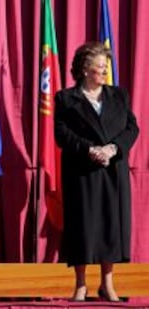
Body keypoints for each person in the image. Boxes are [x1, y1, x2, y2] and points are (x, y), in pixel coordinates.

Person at [54, 41, 139, 301]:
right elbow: (61, 133)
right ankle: (81, 284)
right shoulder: (67, 98)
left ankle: (107, 284)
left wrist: (113, 148)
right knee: (83, 226)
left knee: (111, 226)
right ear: (84, 69)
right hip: (82, 170)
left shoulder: (119, 95)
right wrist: (89, 149)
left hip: (113, 169)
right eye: (99, 67)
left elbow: (131, 128)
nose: (104, 72)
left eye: (106, 67)